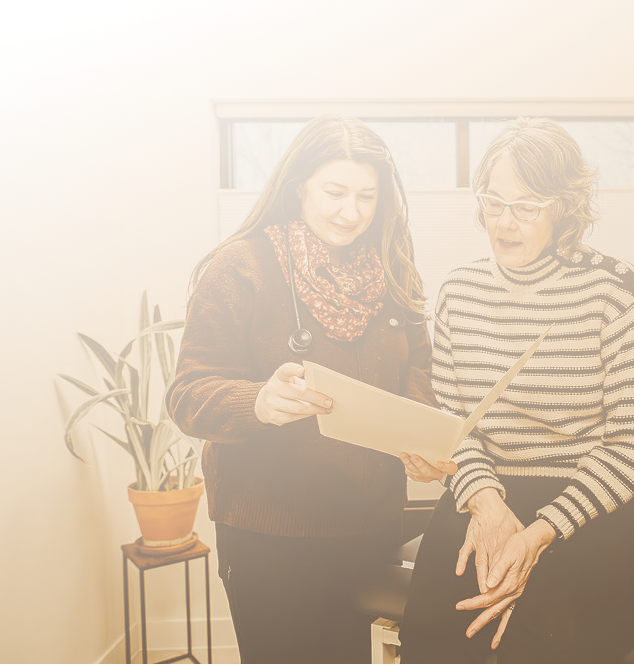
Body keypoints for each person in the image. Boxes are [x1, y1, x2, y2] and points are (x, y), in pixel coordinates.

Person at [397, 117, 634, 664]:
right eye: (493, 203)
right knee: (436, 638)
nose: (504, 223)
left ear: (564, 207)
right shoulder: (459, 292)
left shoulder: (616, 288)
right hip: (495, 489)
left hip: (615, 498)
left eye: (527, 207)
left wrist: (539, 534)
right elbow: (454, 426)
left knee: (540, 632)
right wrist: (486, 503)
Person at [166, 114, 436, 663]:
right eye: (335, 192)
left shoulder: (392, 269)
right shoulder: (240, 267)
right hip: (269, 537)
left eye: (366, 196)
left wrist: (424, 434)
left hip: (371, 527)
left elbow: (420, 372)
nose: (351, 211)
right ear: (298, 187)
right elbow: (188, 394)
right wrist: (258, 402)